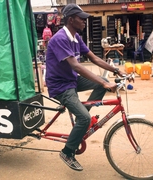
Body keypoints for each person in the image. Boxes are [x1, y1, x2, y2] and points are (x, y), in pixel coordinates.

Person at [45, 4, 125, 171]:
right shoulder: (60, 39)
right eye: (81, 18)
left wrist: (116, 70)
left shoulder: (76, 38)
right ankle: (67, 152)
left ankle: (82, 120)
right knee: (86, 114)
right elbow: (76, 66)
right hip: (60, 85)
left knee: (99, 85)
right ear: (70, 19)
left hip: (72, 80)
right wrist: (104, 82)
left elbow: (94, 58)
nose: (84, 21)